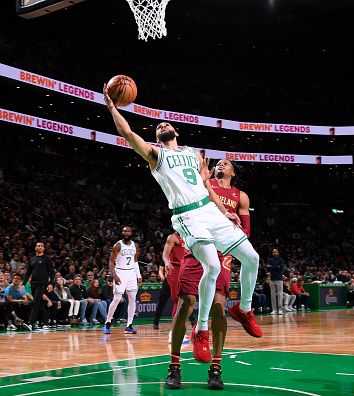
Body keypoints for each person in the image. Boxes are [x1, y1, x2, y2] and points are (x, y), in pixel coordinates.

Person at [104, 89, 261, 367]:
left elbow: (206, 185)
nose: (162, 126)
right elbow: (128, 134)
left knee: (252, 258)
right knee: (212, 265)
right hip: (187, 216)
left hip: (209, 210)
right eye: (157, 127)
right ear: (155, 138)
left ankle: (244, 309)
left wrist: (225, 211)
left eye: (165, 124)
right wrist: (113, 107)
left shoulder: (192, 153)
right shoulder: (156, 155)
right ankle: (201, 329)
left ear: (175, 130)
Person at [166, 159, 252, 390]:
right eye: (220, 162)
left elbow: (245, 231)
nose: (222, 164)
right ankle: (174, 366)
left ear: (233, 172)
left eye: (227, 163)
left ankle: (215, 368)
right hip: (196, 247)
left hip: (222, 252)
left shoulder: (240, 196)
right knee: (186, 304)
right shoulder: (203, 183)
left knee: (218, 308)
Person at [103, 226, 142, 335]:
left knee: (132, 299)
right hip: (120, 272)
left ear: (131, 233)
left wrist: (138, 276)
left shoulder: (135, 245)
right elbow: (111, 262)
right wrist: (114, 275)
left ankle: (129, 325)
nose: (126, 233)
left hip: (131, 274)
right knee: (117, 299)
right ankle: (107, 322)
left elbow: (135, 262)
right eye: (124, 231)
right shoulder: (118, 245)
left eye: (128, 231)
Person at [24, 242, 56, 329]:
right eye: (38, 246)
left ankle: (30, 323)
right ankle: (45, 323)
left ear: (44, 248)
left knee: (36, 302)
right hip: (33, 284)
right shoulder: (32, 259)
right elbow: (27, 273)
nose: (40, 247)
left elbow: (52, 272)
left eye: (42, 246)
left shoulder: (47, 259)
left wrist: (51, 284)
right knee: (40, 303)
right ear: (35, 248)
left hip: (42, 284)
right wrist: (23, 284)